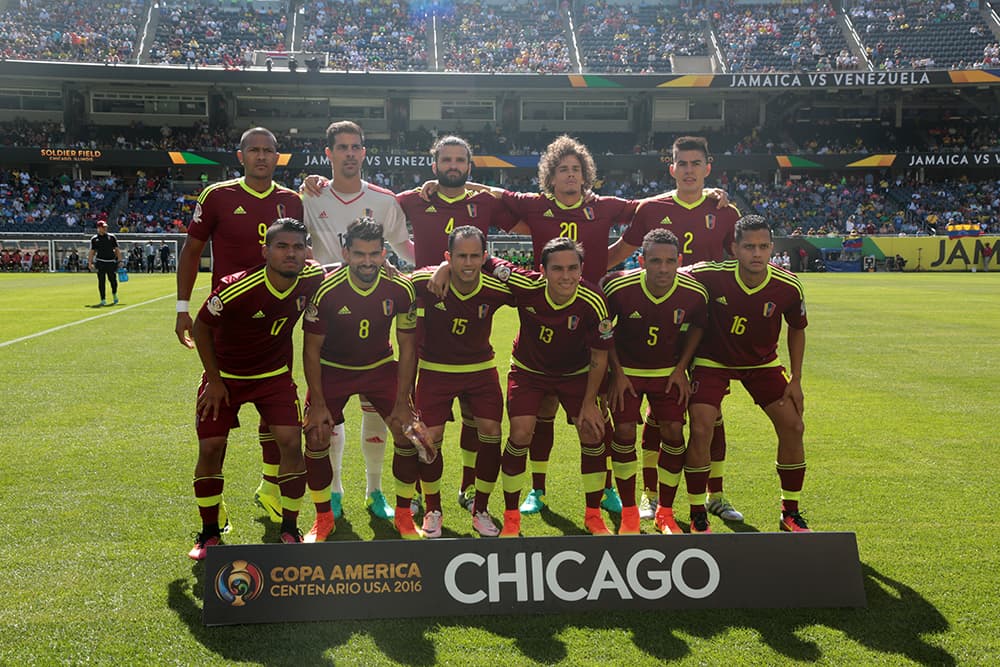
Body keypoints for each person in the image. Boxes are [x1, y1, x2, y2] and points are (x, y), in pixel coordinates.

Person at [607, 136, 744, 524]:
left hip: (705, 326)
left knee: (710, 414)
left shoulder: (725, 211)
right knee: (658, 414)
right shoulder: (652, 208)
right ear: (671, 168)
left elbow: (743, 262)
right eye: (681, 163)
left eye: (694, 163)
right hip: (656, 324)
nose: (688, 170)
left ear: (707, 167)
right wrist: (583, 276)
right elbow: (621, 250)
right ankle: (651, 496)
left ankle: (714, 493)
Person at [175, 126, 304, 527]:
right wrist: (182, 306)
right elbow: (193, 249)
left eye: (269, 150)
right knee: (215, 437)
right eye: (254, 150)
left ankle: (270, 488)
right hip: (225, 320)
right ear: (241, 156)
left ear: (277, 157)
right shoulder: (218, 196)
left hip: (276, 323)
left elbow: (302, 254)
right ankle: (214, 515)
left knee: (277, 418)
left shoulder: (291, 201)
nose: (262, 157)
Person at [187, 218, 324, 559]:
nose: (290, 254)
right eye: (282, 246)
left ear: (306, 251)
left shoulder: (311, 277)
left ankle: (290, 528)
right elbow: (200, 328)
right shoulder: (236, 287)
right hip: (227, 377)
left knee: (292, 443)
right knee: (211, 448)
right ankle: (208, 533)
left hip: (274, 376)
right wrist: (215, 381)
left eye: (297, 247)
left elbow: (354, 265)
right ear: (265, 251)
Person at [300, 120, 416, 522]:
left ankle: (374, 490)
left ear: (364, 153)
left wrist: (443, 268)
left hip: (374, 316)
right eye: (342, 147)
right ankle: (333, 492)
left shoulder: (385, 201)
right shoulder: (309, 197)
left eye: (356, 147)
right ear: (328, 153)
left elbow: (405, 249)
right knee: (327, 420)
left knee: (375, 411)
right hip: (328, 312)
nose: (350, 153)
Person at [396, 135, 518, 512]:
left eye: (460, 160)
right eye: (446, 160)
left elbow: (524, 218)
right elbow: (373, 204)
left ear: (469, 165)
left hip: (472, 301)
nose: (453, 165)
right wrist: (313, 186)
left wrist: (482, 264)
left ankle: (468, 489)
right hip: (426, 308)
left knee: (474, 418)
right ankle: (420, 492)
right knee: (424, 420)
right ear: (434, 165)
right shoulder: (414, 198)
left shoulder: (482, 201)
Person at [686, 215, 811, 534]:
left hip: (762, 363)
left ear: (772, 248)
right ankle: (698, 511)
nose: (757, 253)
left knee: (793, 425)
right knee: (701, 428)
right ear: (734, 249)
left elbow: (797, 330)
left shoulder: (788, 284)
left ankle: (790, 512)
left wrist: (796, 379)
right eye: (749, 247)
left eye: (764, 246)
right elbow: (666, 275)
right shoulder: (709, 274)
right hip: (713, 360)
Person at [496, 237, 615, 537]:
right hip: (529, 371)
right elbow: (491, 263)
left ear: (582, 269)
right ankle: (511, 516)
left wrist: (589, 403)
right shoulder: (528, 286)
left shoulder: (593, 299)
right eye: (557, 268)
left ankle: (593, 514)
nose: (566, 276)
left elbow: (600, 357)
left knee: (591, 430)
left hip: (575, 373)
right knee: (521, 432)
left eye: (573, 268)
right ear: (542, 270)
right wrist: (446, 267)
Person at [406, 225, 515, 538]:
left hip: (480, 369)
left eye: (474, 256)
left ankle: (480, 508)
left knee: (492, 432)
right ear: (448, 257)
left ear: (484, 257)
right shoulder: (426, 282)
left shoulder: (495, 288)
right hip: (435, 369)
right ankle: (432, 508)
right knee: (428, 437)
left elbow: (530, 289)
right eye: (460, 257)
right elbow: (398, 282)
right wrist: (439, 270)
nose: (467, 263)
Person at [601, 229, 707, 534]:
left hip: (667, 373)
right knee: (623, 433)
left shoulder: (694, 291)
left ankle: (665, 512)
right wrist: (617, 374)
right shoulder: (618, 285)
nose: (663, 268)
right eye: (655, 261)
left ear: (679, 261)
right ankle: (630, 512)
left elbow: (699, 327)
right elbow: (604, 331)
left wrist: (681, 369)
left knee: (674, 434)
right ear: (642, 260)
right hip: (628, 374)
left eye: (670, 261)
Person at [87, 220, 122, 306]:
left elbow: (117, 250)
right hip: (100, 262)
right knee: (101, 281)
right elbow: (92, 251)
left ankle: (114, 294)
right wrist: (90, 262)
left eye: (106, 227)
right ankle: (103, 299)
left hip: (111, 262)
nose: (105, 228)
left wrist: (120, 260)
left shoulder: (112, 237)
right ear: (99, 228)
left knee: (113, 281)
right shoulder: (94, 239)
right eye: (103, 227)